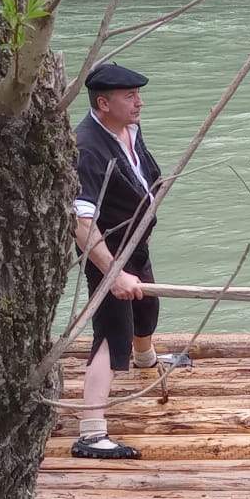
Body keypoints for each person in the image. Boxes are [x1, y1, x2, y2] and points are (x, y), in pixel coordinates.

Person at [68, 62, 189, 460]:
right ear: (103, 103)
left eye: (138, 94)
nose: (139, 102)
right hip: (108, 252)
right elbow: (81, 224)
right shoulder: (86, 147)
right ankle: (90, 431)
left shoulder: (129, 131)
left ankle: (147, 359)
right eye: (129, 96)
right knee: (110, 334)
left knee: (147, 308)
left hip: (135, 243)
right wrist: (113, 273)